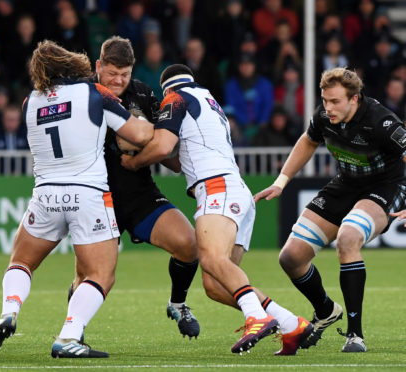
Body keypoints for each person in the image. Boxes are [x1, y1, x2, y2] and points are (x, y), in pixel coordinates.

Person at [121, 64, 312, 355]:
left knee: (210, 259)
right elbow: (178, 158)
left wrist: (134, 162)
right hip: (236, 191)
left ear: (166, 89)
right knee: (215, 284)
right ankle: (290, 323)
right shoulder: (208, 100)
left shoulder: (175, 98)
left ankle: (257, 317)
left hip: (217, 190)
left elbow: (162, 148)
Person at [0, 40, 153, 358]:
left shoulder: (29, 102)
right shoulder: (93, 94)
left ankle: (8, 311)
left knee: (21, 262)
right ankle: (69, 336)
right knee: (100, 274)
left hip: (45, 195)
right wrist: (149, 121)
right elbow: (139, 135)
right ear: (70, 64)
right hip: (88, 195)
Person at [254, 67, 406, 353]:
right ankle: (325, 310)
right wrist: (281, 182)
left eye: (335, 101)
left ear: (355, 99)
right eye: (325, 100)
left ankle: (355, 335)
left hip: (386, 187)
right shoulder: (324, 116)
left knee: (348, 238)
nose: (328, 107)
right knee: (290, 257)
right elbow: (308, 141)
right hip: (346, 184)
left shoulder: (381, 121)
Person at [73, 35, 201, 339]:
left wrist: (184, 164)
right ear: (98, 65)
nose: (118, 80)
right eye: (112, 73)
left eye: (125, 74)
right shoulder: (80, 94)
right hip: (96, 198)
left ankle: (178, 303)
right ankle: (72, 334)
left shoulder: (144, 94)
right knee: (87, 274)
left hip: (139, 194)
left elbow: (164, 145)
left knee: (189, 245)